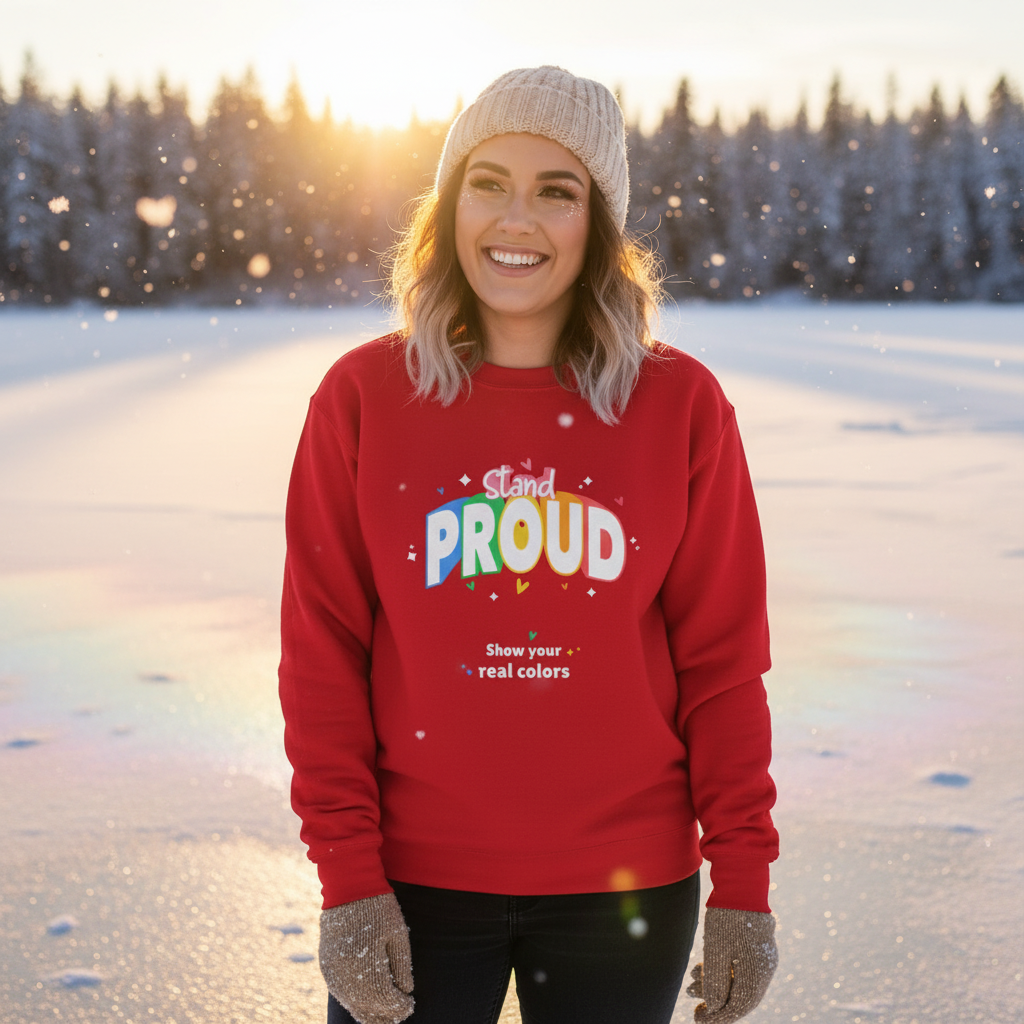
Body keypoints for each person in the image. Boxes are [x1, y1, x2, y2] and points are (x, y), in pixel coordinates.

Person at [279, 66, 779, 1024]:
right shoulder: (364, 399)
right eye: (488, 183)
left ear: (598, 225)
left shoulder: (677, 405)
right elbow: (323, 654)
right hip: (412, 881)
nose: (517, 220)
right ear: (449, 208)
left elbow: (721, 665)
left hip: (625, 887)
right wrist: (348, 879)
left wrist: (744, 884)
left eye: (557, 192)